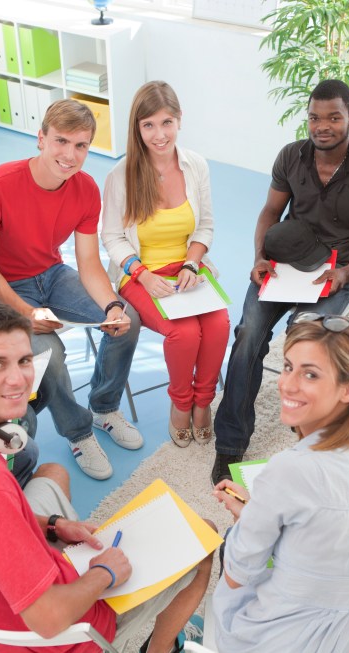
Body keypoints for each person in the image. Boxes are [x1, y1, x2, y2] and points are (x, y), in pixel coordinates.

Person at [0, 300, 214, 653]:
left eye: (23, 361)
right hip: (56, 636)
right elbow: (49, 620)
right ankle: (159, 648)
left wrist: (52, 525)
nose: (18, 379)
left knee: (52, 473)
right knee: (203, 533)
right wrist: (104, 573)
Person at [211, 79, 349, 483]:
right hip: (284, 265)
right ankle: (230, 444)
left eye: (333, 117)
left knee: (306, 341)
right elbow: (269, 213)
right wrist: (259, 257)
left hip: (336, 271)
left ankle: (310, 442)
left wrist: (348, 272)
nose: (322, 126)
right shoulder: (290, 156)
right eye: (314, 117)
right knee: (247, 336)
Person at [0, 99, 142, 481]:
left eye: (81, 145)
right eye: (61, 141)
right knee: (49, 352)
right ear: (41, 138)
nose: (70, 154)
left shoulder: (85, 189)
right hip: (3, 287)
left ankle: (104, 407)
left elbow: (89, 263)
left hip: (50, 274)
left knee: (129, 319)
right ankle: (78, 433)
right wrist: (25, 312)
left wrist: (112, 305)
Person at [210, 313, 349, 652]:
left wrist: (247, 524)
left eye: (310, 374)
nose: (287, 384)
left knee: (226, 544)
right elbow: (326, 543)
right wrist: (258, 512)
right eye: (287, 367)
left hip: (284, 638)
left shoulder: (288, 470)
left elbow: (238, 574)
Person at [101, 81, 229, 447]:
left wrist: (191, 265)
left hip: (187, 268)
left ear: (179, 121)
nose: (159, 135)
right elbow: (111, 236)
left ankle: (203, 404)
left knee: (218, 324)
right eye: (149, 125)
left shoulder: (195, 166)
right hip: (140, 274)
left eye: (166, 122)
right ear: (137, 128)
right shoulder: (121, 176)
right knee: (185, 332)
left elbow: (205, 225)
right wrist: (140, 274)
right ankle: (180, 404)